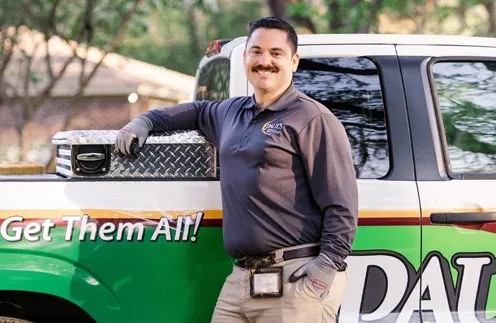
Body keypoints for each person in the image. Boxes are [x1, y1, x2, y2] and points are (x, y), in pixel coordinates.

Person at [115, 17, 358, 323]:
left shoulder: (312, 119)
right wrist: (144, 122)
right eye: (255, 51)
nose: (264, 61)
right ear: (245, 58)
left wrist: (324, 270)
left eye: (276, 53)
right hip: (241, 279)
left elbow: (342, 203)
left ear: (294, 61)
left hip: (294, 281)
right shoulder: (230, 112)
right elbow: (193, 111)